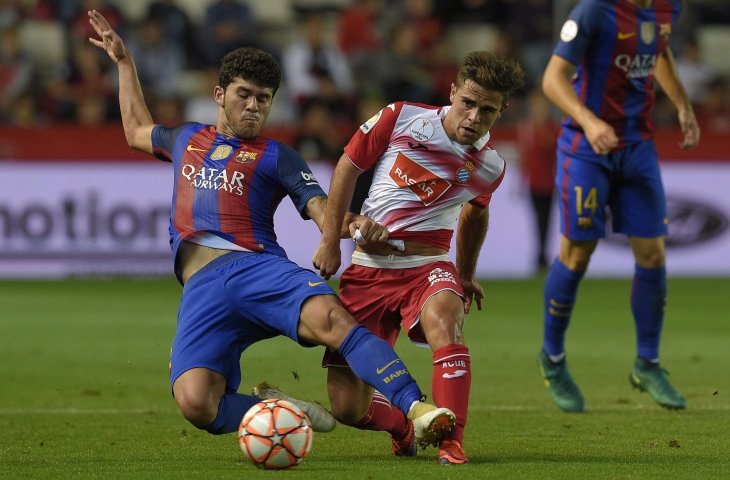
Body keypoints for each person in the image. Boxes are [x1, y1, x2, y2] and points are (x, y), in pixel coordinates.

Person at [86, 9, 456, 445]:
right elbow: (134, 130)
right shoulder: (186, 138)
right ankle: (285, 410)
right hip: (202, 287)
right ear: (219, 94)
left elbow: (321, 209)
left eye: (264, 98)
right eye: (244, 95)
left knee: (333, 318)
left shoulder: (278, 156)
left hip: (257, 270)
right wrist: (125, 64)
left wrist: (354, 224)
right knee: (197, 402)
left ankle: (417, 409)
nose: (253, 106)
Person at [310, 51, 525, 465]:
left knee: (447, 320)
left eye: (488, 110)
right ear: (452, 92)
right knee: (346, 407)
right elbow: (347, 167)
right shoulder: (401, 116)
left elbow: (475, 213)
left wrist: (464, 274)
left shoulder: (490, 167)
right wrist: (330, 240)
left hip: (427, 267)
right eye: (468, 103)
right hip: (367, 270)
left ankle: (451, 442)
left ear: (501, 111)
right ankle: (406, 426)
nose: (474, 117)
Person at [537, 0, 700, 413]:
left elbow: (656, 50)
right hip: (585, 149)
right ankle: (552, 359)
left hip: (637, 147)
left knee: (653, 253)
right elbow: (553, 80)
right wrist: (590, 121)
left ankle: (648, 364)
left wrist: (681, 103)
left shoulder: (668, 8)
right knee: (576, 255)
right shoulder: (593, 11)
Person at [516, 87, 559, 271]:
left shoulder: (551, 129)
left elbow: (555, 155)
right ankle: (540, 255)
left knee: (546, 220)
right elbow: (524, 157)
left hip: (548, 182)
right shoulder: (526, 128)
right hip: (534, 182)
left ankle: (543, 255)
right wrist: (521, 181)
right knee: (538, 219)